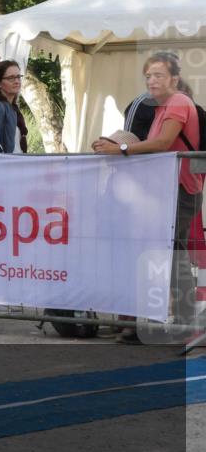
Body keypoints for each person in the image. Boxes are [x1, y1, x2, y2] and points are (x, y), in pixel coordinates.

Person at [92, 52, 203, 341]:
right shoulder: (160, 107)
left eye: (158, 75)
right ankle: (168, 322)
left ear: (174, 79)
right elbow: (151, 144)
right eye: (148, 76)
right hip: (165, 190)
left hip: (180, 189)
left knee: (169, 254)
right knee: (168, 254)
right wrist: (117, 143)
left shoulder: (178, 102)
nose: (152, 81)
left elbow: (163, 143)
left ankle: (179, 323)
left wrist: (121, 150)